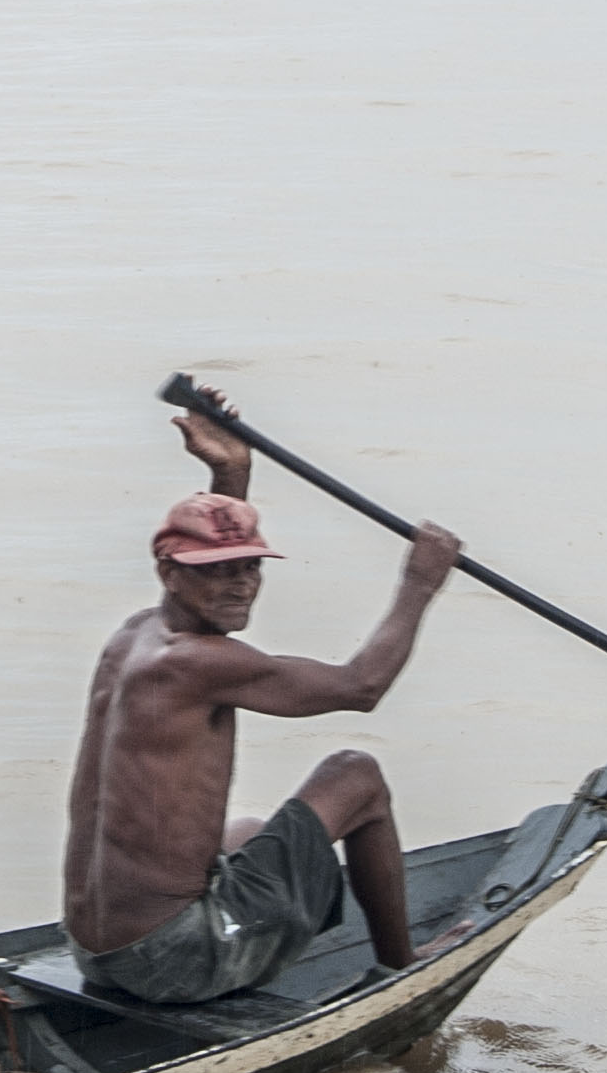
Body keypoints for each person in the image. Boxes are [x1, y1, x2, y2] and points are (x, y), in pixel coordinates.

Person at [61, 387, 468, 1004]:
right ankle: (399, 964)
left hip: (94, 952)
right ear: (169, 572)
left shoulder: (136, 636)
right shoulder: (199, 664)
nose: (239, 586)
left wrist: (230, 471)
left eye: (250, 567)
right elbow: (362, 686)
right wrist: (420, 581)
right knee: (355, 775)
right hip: (171, 960)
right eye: (216, 571)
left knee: (249, 830)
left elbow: (217, 544)